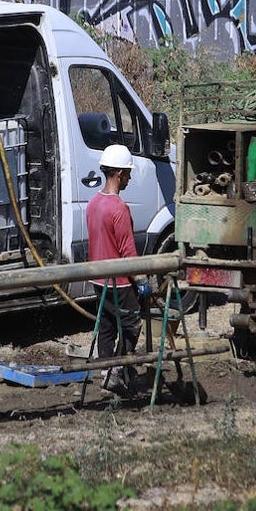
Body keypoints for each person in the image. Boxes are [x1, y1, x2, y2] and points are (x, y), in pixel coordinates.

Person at [86, 143, 152, 396]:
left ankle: (106, 373)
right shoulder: (119, 209)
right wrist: (141, 280)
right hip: (120, 282)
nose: (129, 178)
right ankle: (115, 372)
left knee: (106, 326)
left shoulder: (93, 204)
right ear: (119, 174)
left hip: (98, 278)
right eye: (128, 173)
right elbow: (127, 251)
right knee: (131, 324)